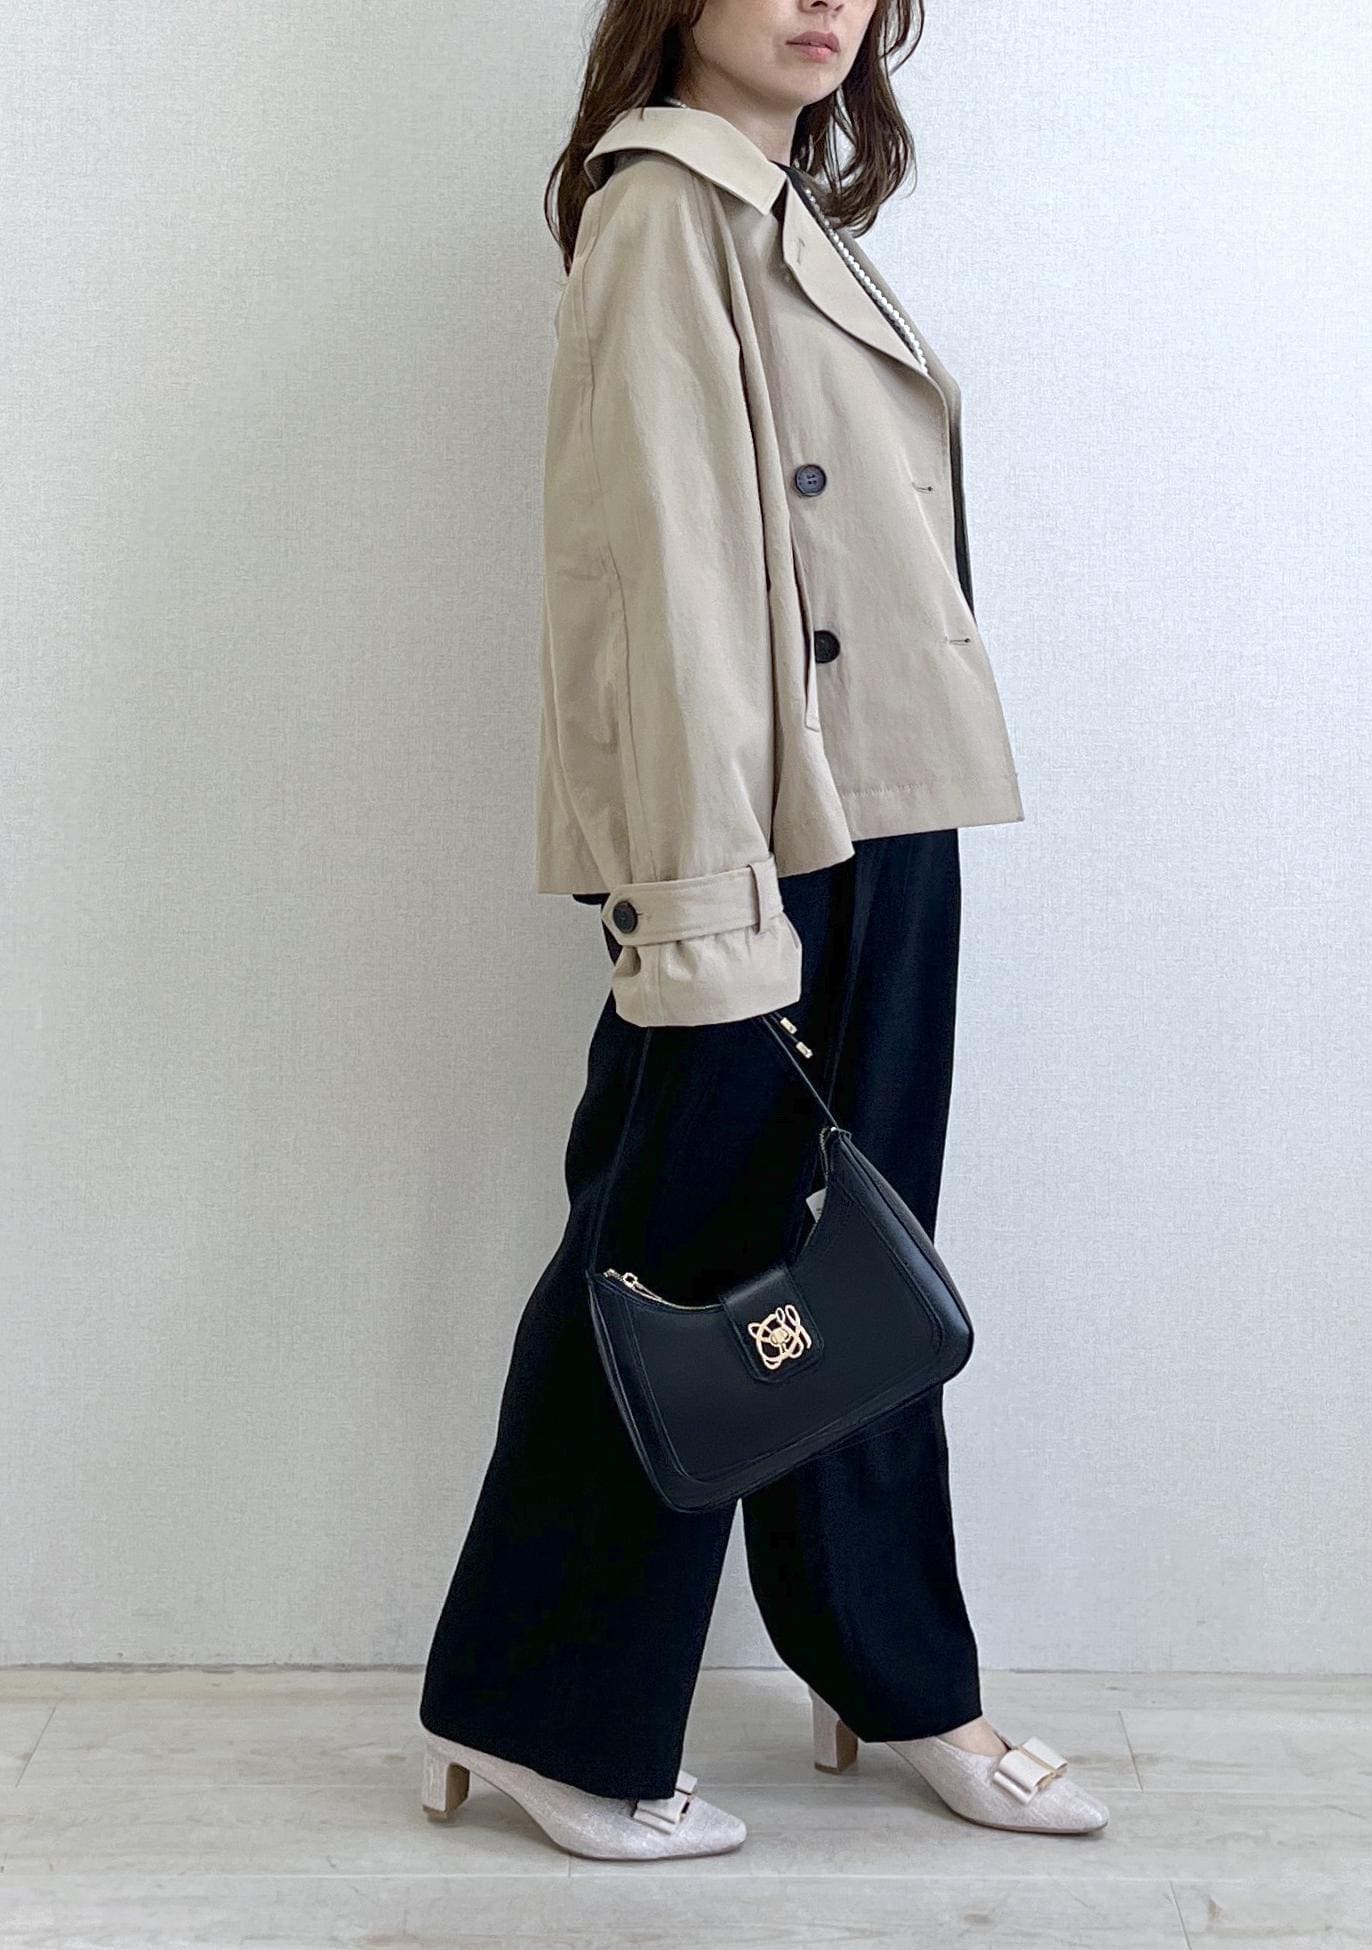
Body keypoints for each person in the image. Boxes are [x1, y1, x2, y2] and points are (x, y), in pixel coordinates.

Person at [418, 0, 1109, 1860]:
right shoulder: (666, 208)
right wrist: (704, 892)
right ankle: (545, 1711)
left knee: (851, 1270)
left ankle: (890, 1662)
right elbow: (670, 590)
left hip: (881, 809)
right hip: (759, 833)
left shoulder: (781, 206)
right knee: (676, 1260)